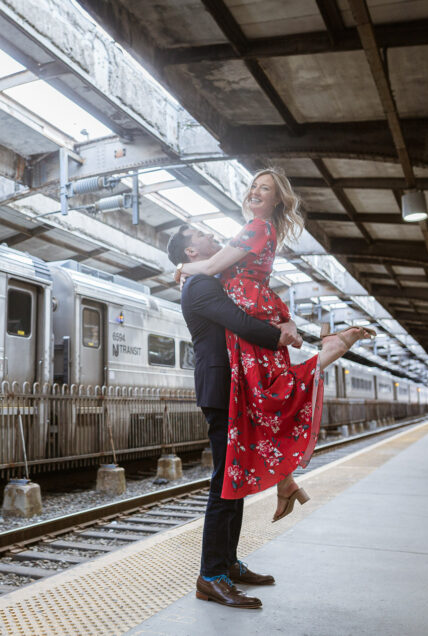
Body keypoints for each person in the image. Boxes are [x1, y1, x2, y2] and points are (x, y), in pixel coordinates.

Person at [176, 169, 373, 522]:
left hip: (252, 309)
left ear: (277, 199)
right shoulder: (257, 230)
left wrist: (182, 266)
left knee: (268, 396)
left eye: (264, 188)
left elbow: (212, 265)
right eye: (253, 186)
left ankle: (326, 354)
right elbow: (214, 267)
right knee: (262, 401)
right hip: (256, 307)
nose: (255, 191)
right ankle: (286, 482)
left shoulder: (256, 228)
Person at [168, 224, 302, 609]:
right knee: (223, 485)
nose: (211, 236)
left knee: (234, 481)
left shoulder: (206, 279)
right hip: (221, 391)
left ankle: (227, 564)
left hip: (231, 389)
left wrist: (285, 322)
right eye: (201, 236)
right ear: (191, 253)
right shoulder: (201, 286)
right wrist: (282, 336)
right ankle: (210, 576)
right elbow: (241, 322)